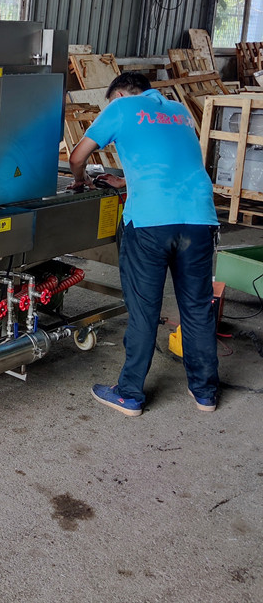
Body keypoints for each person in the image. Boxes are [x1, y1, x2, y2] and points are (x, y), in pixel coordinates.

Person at [68, 71, 219, 416]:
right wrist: (126, 180)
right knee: (197, 308)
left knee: (144, 309)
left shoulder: (121, 108)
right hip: (199, 219)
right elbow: (172, 161)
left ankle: (130, 394)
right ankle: (205, 393)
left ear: (120, 95)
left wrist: (81, 181)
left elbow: (77, 158)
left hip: (151, 222)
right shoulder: (179, 110)